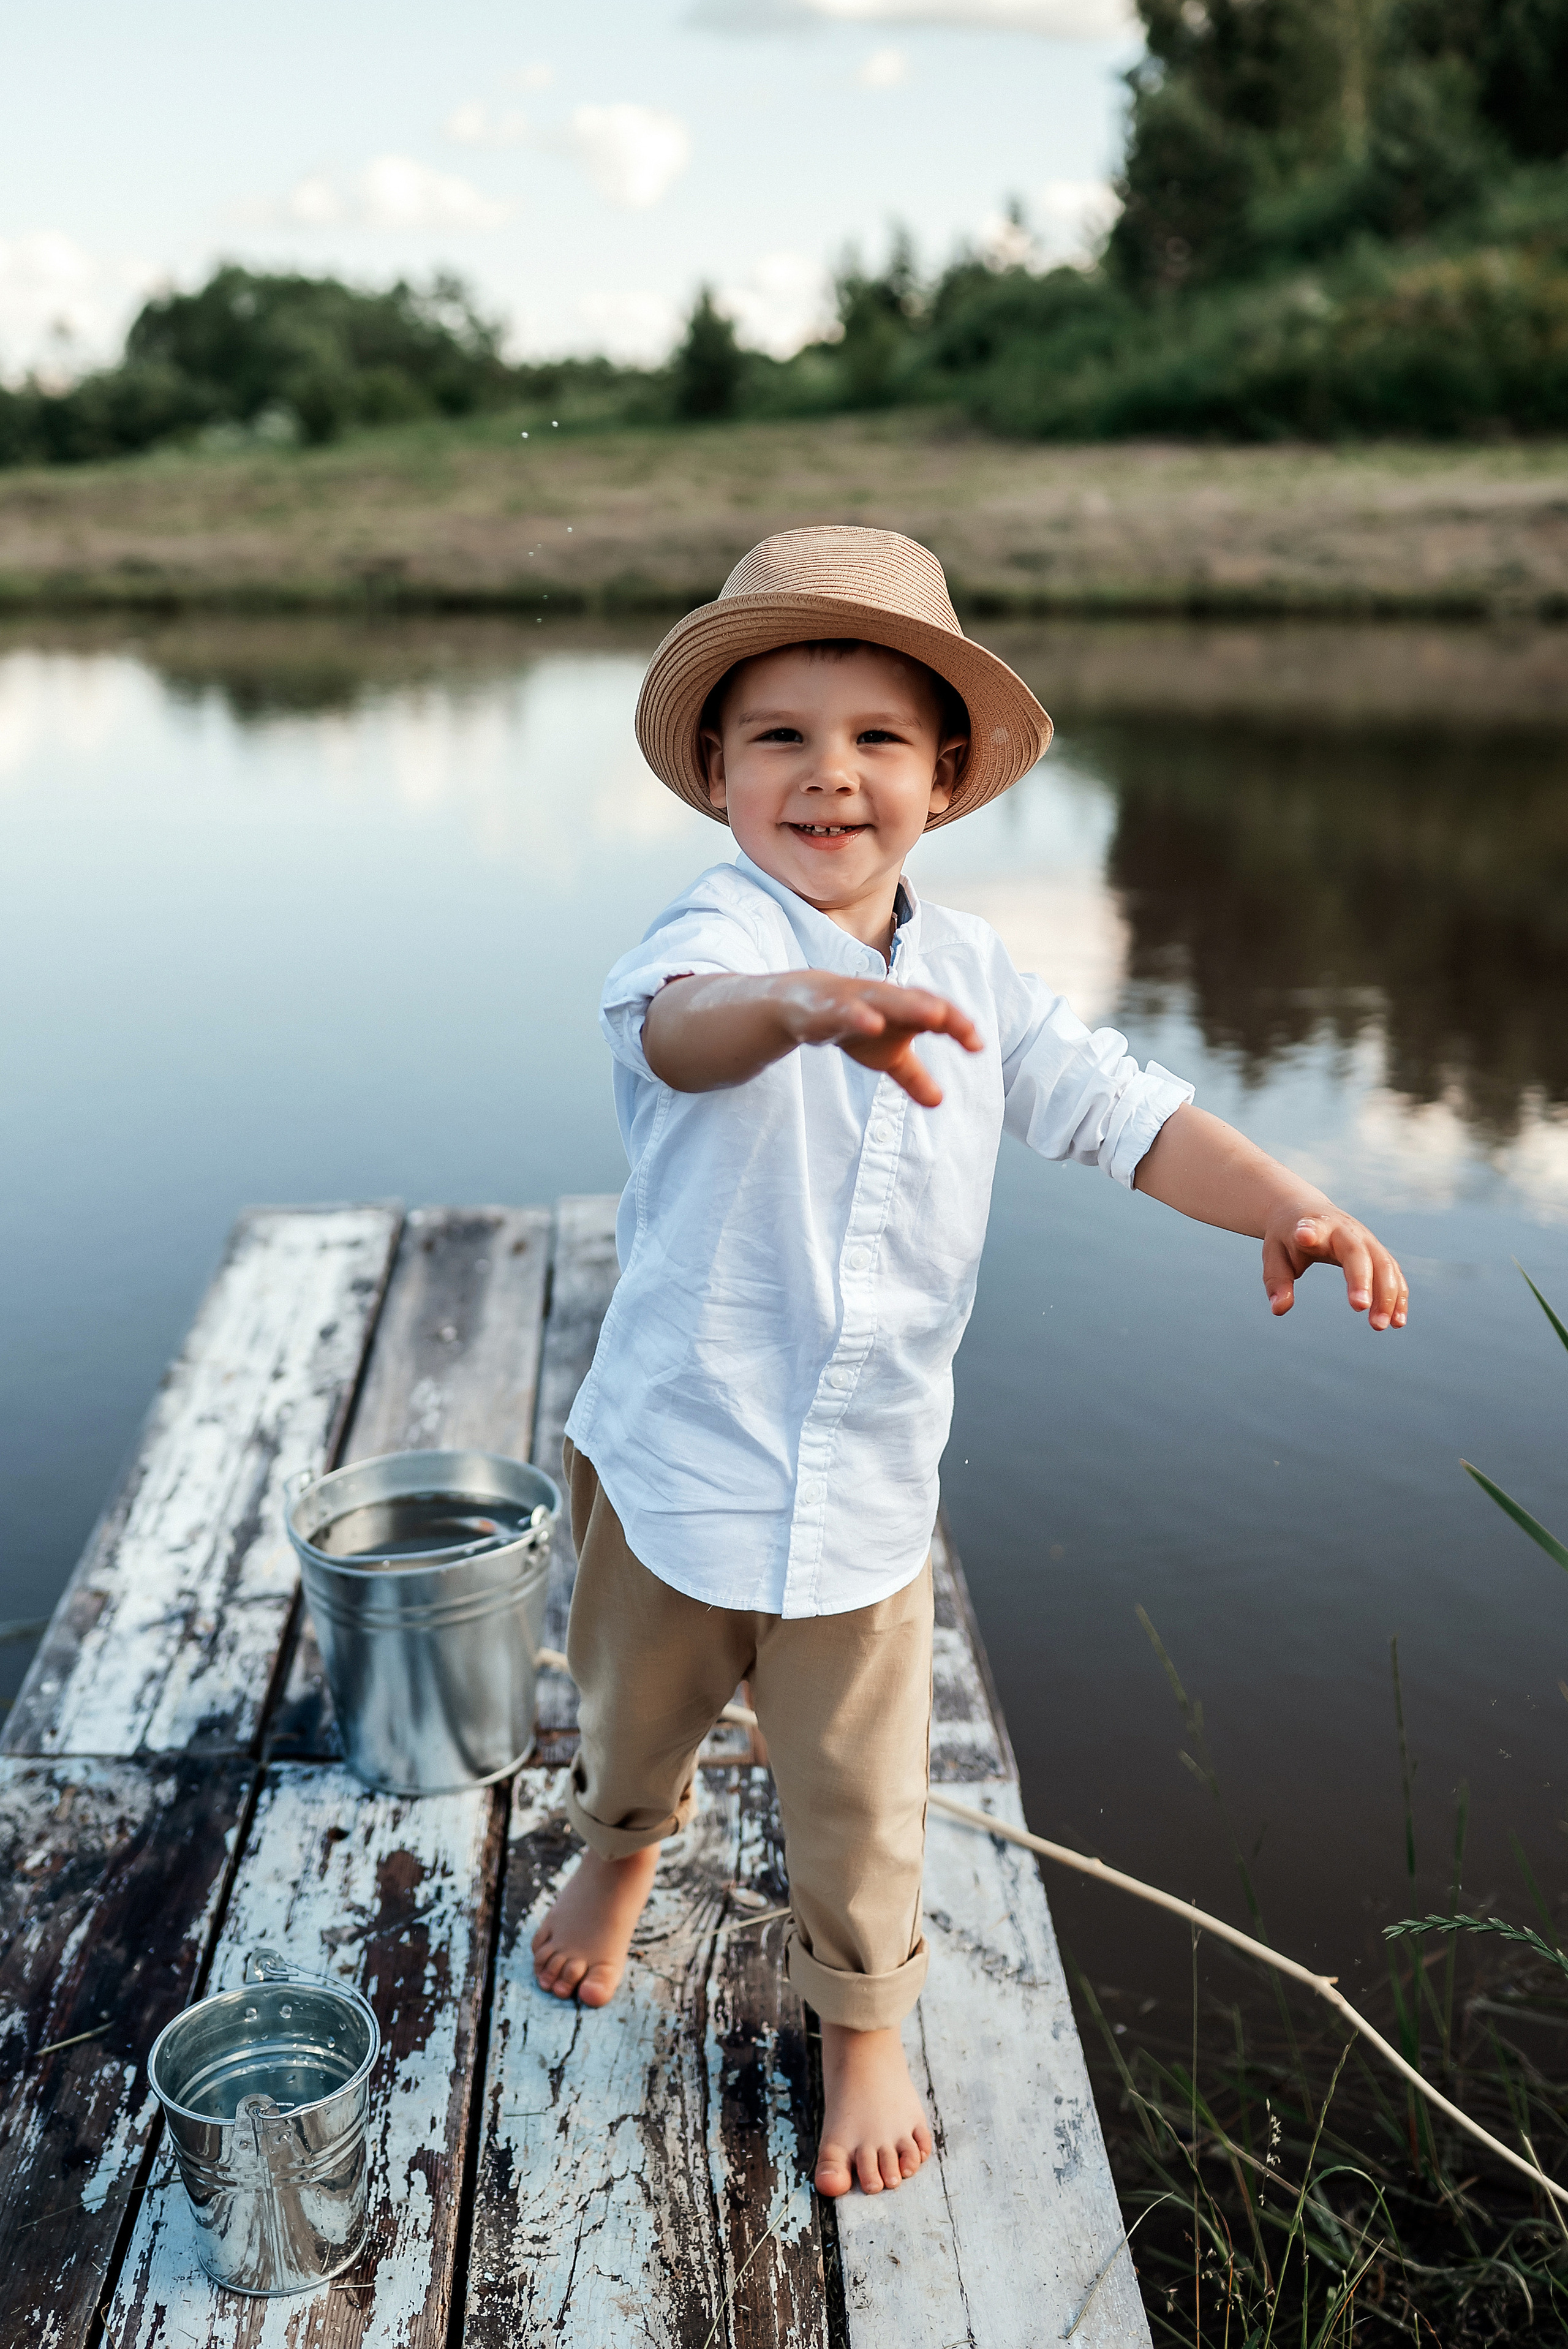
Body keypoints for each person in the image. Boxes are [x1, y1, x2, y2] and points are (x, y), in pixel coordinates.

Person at [530, 527, 1408, 2200]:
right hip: (675, 1457)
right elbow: (681, 1026)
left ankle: (862, 2018)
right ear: (717, 771)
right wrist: (801, 1003)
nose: (828, 775)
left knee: (862, 1794)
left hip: (862, 1486)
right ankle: (621, 1857)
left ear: (943, 773)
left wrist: (1284, 1202)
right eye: (780, 735)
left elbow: (1128, 1113)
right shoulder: (711, 935)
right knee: (635, 1711)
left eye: (875, 739)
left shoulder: (978, 973)